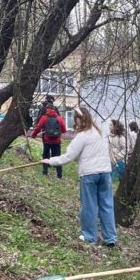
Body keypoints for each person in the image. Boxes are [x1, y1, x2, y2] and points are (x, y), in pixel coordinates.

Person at [43, 107, 116, 247]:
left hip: (89, 175)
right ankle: (110, 238)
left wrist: (49, 161)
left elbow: (68, 157)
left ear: (79, 119)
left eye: (75, 118)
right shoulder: (100, 133)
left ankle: (89, 238)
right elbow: (84, 155)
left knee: (89, 207)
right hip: (105, 173)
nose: (74, 122)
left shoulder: (82, 136)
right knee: (106, 206)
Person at [31, 97, 67, 178]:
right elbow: (64, 130)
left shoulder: (44, 118)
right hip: (57, 141)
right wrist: (58, 131)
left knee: (45, 156)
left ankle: (45, 172)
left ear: (46, 109)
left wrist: (34, 135)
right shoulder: (59, 118)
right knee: (57, 157)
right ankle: (59, 174)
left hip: (46, 140)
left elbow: (38, 127)